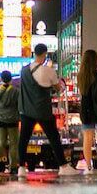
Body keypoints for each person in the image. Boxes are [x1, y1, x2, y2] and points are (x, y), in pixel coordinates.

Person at [17, 43, 81, 177]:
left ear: (34, 53)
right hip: (42, 111)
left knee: (23, 139)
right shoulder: (49, 71)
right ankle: (63, 166)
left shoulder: (23, 71)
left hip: (26, 111)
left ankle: (21, 168)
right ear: (45, 54)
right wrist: (61, 84)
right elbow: (59, 88)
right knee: (53, 138)